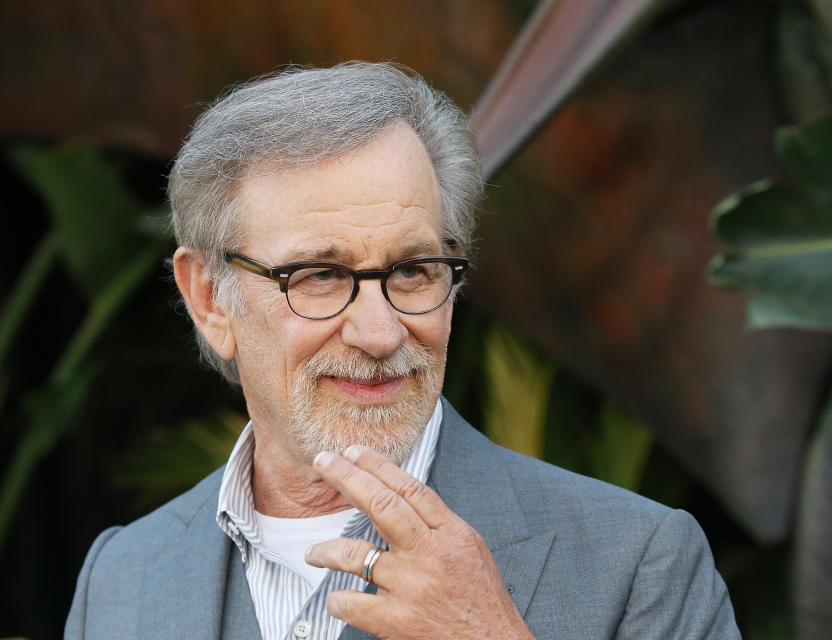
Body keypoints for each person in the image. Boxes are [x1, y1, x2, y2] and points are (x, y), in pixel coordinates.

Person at [65, 62, 740, 640]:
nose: (380, 332)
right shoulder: (123, 580)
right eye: (319, 276)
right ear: (210, 299)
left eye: (413, 271)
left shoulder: (639, 561)